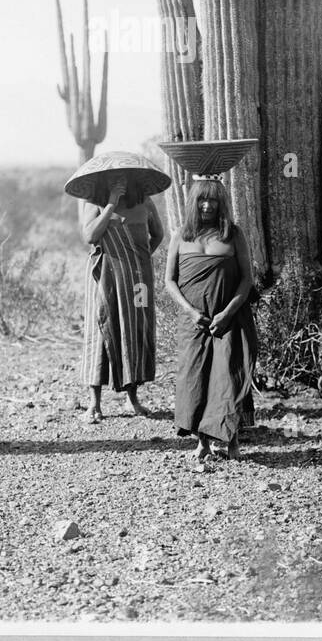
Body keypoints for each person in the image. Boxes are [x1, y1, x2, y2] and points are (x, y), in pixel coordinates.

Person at [165, 179, 256, 463]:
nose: (207, 205)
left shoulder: (233, 234)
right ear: (193, 202)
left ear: (221, 203)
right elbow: (169, 280)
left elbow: (246, 279)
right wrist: (192, 313)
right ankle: (202, 442)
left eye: (213, 200)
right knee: (196, 377)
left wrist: (227, 312)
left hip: (229, 317)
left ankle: (232, 442)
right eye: (202, 200)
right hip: (193, 320)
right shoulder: (181, 235)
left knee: (228, 376)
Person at [79, 176, 164, 422]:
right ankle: (94, 404)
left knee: (134, 331)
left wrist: (139, 259)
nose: (119, 181)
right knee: (100, 330)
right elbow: (90, 236)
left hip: (137, 279)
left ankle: (132, 398)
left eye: (124, 176)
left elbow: (157, 235)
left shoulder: (144, 202)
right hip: (102, 274)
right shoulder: (93, 202)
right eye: (113, 178)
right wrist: (111, 204)